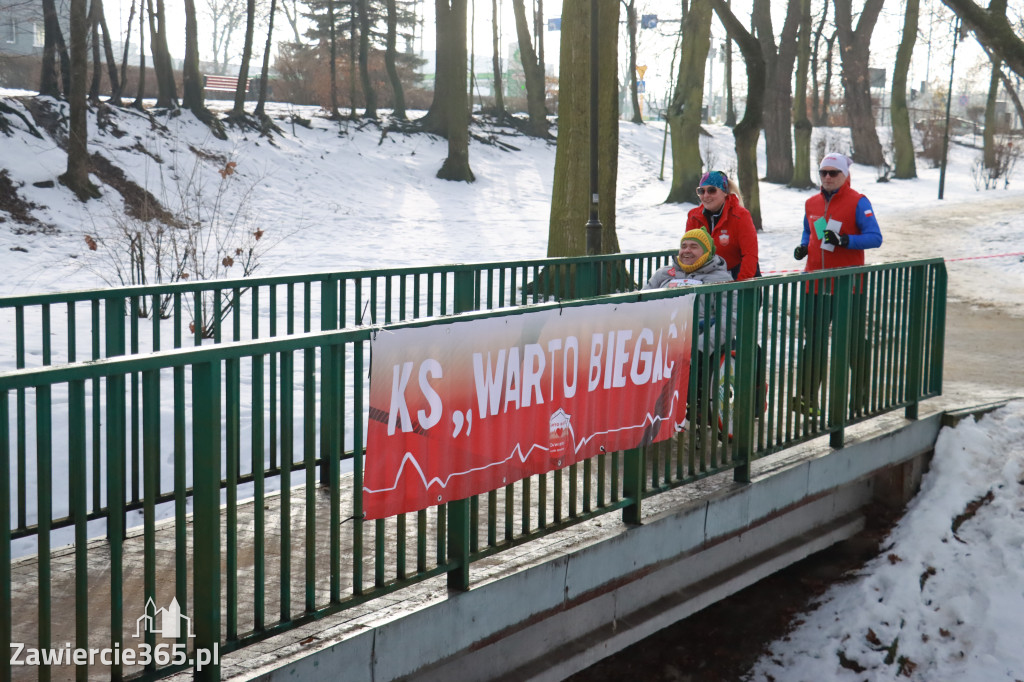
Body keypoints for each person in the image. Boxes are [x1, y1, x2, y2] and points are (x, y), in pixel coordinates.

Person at [792, 152, 883, 416]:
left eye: (834, 173)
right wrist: (802, 247)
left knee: (854, 342)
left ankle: (860, 395)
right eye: (824, 173)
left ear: (845, 175)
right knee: (815, 343)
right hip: (815, 285)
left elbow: (875, 237)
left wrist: (846, 241)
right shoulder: (811, 203)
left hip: (848, 287)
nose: (828, 178)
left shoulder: (858, 202)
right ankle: (808, 399)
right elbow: (809, 232)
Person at [644, 229, 736, 433]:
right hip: (659, 334)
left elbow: (728, 319)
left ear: (706, 251)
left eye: (694, 246)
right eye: (684, 246)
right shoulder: (663, 274)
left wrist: (701, 347)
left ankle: (667, 413)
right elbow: (642, 302)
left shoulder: (720, 279)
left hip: (695, 336)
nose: (686, 251)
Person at [686, 170, 760, 281]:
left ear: (725, 192)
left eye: (712, 190)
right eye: (701, 191)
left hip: (739, 277)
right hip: (706, 279)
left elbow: (750, 255)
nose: (706, 195)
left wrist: (740, 286)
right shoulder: (693, 216)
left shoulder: (740, 216)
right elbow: (689, 250)